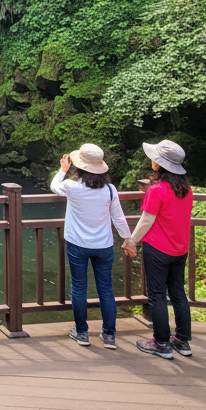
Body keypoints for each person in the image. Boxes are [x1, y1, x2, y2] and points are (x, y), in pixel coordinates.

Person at [50, 143, 132, 349]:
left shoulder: (71, 186)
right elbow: (119, 218)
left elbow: (54, 186)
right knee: (106, 290)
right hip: (103, 245)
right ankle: (109, 335)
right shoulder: (110, 190)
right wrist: (128, 239)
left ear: (79, 166)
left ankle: (82, 332)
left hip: (77, 244)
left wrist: (62, 170)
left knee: (79, 288)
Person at [123, 140, 193, 359]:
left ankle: (161, 343)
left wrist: (131, 241)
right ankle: (182, 340)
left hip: (158, 249)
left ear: (160, 164)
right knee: (179, 294)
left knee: (156, 295)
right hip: (180, 248)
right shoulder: (186, 188)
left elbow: (146, 220)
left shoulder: (157, 189)